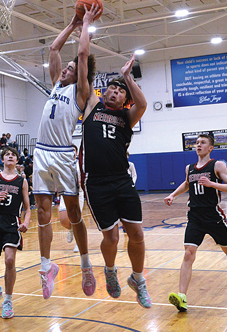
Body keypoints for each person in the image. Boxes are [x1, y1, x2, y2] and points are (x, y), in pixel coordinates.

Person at [33, 4, 100, 299]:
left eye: (71, 69)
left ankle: (86, 265)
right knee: (43, 215)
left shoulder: (80, 93)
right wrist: (72, 24)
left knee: (74, 214)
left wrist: (86, 23)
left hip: (61, 154)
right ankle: (46, 267)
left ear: (79, 76)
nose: (66, 70)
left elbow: (83, 55)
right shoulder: (54, 86)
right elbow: (53, 49)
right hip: (40, 153)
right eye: (66, 68)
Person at [79, 54, 151, 308]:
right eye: (111, 88)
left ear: (125, 98)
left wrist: (127, 76)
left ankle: (138, 279)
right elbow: (84, 73)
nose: (114, 92)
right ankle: (110, 270)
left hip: (122, 180)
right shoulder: (92, 107)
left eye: (120, 91)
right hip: (96, 182)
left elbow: (142, 104)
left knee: (137, 235)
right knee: (111, 238)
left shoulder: (127, 117)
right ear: (104, 91)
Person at [164, 134, 227, 313]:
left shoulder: (217, 165)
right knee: (188, 254)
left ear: (210, 148)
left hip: (213, 216)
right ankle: (182, 297)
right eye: (197, 143)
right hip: (194, 216)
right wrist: (172, 195)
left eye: (203, 143)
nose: (198, 145)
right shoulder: (189, 168)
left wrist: (211, 184)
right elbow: (187, 184)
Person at [0, 147, 31, 319]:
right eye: (7, 155)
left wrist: (26, 222)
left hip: (11, 222)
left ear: (17, 160)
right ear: (2, 160)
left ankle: (8, 300)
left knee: (10, 260)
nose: (10, 157)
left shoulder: (22, 181)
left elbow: (28, 208)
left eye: (13, 155)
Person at [58, 144, 84, 253]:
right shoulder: (62, 164)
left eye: (73, 150)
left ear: (76, 153)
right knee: (64, 220)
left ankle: (78, 244)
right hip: (65, 193)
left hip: (79, 193)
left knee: (76, 218)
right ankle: (72, 230)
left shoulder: (80, 164)